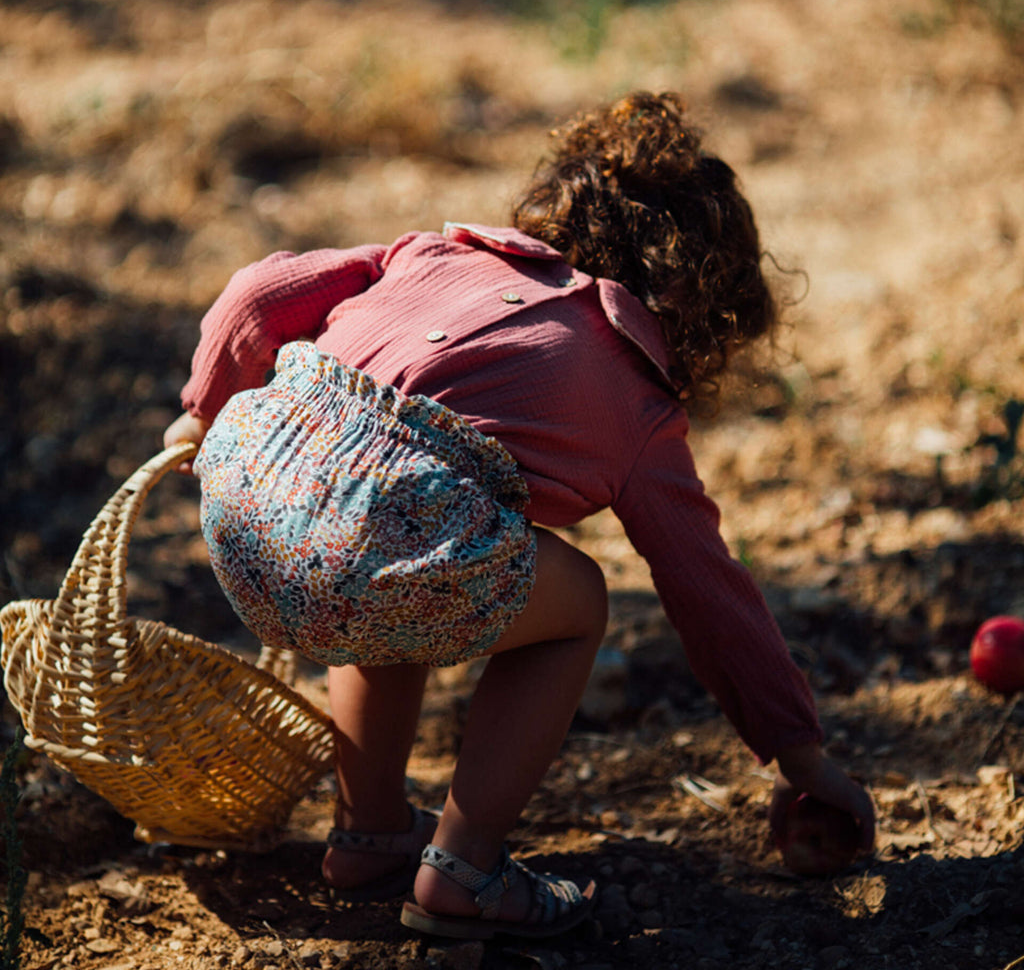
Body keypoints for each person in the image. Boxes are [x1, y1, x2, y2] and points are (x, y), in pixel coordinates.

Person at [164, 90, 875, 940]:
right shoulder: (637, 403)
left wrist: (205, 411)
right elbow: (709, 597)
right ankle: (463, 872)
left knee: (388, 554)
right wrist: (801, 755)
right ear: (700, 298)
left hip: (246, 510)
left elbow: (255, 291)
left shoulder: (431, 254)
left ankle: (370, 833)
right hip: (364, 541)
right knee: (575, 601)